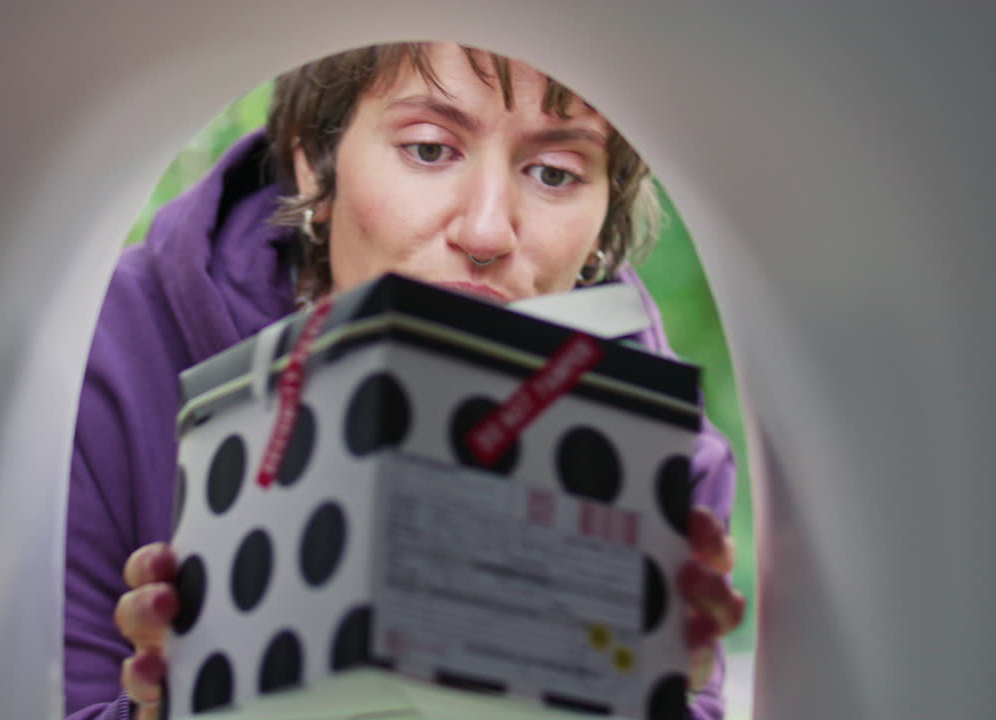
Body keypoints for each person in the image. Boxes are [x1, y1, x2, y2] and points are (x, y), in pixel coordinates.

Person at [65, 42, 744, 720]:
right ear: (313, 160)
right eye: (428, 149)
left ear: (602, 221)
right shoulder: (112, 354)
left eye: (554, 172)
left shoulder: (664, 454)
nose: (486, 232)